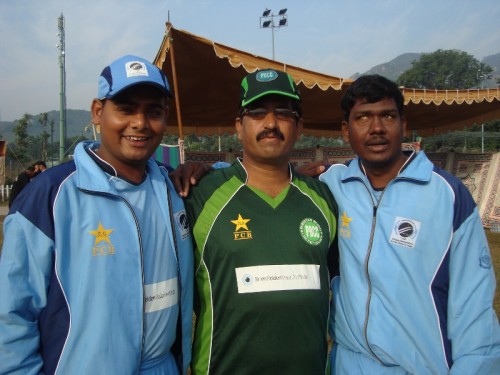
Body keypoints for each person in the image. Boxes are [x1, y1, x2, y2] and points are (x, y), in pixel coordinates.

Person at [0, 55, 193, 375]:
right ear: (97, 113)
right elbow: (12, 315)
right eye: (126, 109)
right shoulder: (51, 196)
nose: (140, 123)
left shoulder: (174, 187)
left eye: (153, 111)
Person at [318, 74, 500, 373]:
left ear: (403, 123)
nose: (376, 128)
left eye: (387, 116)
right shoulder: (332, 185)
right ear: (345, 130)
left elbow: (474, 308)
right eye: (363, 117)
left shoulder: (447, 195)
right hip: (349, 365)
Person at [180, 69, 339, 375]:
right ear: (239, 126)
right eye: (256, 113)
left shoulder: (325, 199)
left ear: (299, 126)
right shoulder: (200, 195)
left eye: (283, 113)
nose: (270, 124)